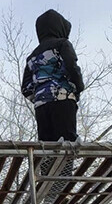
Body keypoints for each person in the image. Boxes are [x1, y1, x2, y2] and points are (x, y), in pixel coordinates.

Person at [20, 9, 86, 143]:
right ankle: (66, 165)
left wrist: (39, 96)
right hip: (63, 98)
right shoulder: (62, 44)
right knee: (68, 142)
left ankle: (46, 164)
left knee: (46, 144)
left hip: (41, 105)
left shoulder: (31, 56)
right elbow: (71, 66)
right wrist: (78, 87)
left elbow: (25, 87)